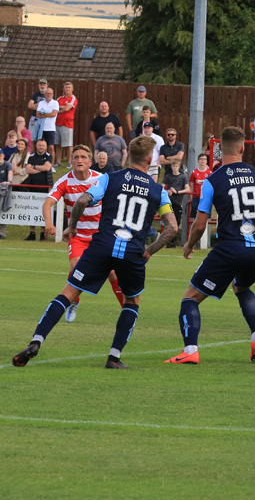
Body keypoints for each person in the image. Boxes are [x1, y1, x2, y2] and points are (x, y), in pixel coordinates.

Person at [11, 135, 177, 369]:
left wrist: (72, 226)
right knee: (132, 301)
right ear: (150, 159)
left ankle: (36, 341)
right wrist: (149, 251)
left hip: (101, 246)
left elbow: (81, 201)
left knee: (69, 291)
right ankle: (114, 357)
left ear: (127, 155)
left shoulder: (109, 178)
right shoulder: (158, 190)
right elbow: (172, 227)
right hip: (132, 252)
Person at [165, 126, 255, 365]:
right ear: (243, 148)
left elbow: (200, 224)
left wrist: (189, 245)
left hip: (230, 249)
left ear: (218, 150)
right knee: (242, 288)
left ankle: (190, 350)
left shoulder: (212, 180)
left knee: (190, 298)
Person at [42, 144, 126, 320]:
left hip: (101, 235)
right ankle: (74, 300)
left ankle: (127, 310)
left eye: (83, 157)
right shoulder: (65, 181)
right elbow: (48, 203)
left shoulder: (101, 178)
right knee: (77, 269)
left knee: (112, 273)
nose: (79, 160)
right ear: (72, 161)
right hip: (78, 236)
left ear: (90, 161)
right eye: (76, 157)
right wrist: (49, 223)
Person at [24, 138, 54, 241]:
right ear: (36, 146)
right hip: (32, 186)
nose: (41, 147)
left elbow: (47, 168)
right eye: (39, 145)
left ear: (46, 147)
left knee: (43, 210)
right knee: (32, 209)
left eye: (43, 145)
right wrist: (40, 169)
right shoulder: (31, 157)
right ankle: (32, 233)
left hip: (44, 187)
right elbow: (28, 170)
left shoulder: (49, 156)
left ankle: (42, 233)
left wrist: (35, 167)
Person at [162, 157, 189, 244]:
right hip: (169, 202)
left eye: (176, 166)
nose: (175, 168)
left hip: (178, 202)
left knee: (176, 222)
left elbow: (187, 189)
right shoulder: (168, 176)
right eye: (173, 166)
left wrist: (177, 192)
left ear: (179, 166)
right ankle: (168, 242)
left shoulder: (182, 177)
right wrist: (168, 191)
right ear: (171, 166)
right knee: (168, 222)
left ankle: (173, 241)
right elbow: (161, 187)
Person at [35, 86, 60, 167]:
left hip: (51, 128)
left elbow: (53, 114)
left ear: (52, 94)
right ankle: (40, 162)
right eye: (47, 93)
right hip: (41, 128)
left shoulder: (55, 103)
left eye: (50, 93)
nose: (49, 95)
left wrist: (44, 114)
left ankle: (51, 165)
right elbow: (38, 115)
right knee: (40, 147)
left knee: (51, 147)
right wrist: (48, 114)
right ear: (45, 94)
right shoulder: (41, 103)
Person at [55, 82, 78, 168]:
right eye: (66, 87)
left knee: (68, 144)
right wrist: (61, 107)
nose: (67, 89)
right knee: (57, 144)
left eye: (69, 87)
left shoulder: (73, 98)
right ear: (64, 89)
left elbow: (67, 108)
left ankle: (69, 161)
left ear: (72, 89)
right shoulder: (59, 98)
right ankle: (58, 161)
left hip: (67, 124)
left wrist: (59, 109)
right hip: (57, 123)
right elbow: (55, 107)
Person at [187, 153, 212, 221]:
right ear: (198, 161)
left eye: (204, 159)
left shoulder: (209, 173)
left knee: (205, 216)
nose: (203, 161)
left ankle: (205, 230)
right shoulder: (194, 172)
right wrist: (191, 197)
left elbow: (211, 186)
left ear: (206, 161)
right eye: (201, 159)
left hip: (205, 197)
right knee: (194, 216)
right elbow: (190, 185)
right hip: (196, 196)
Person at [26, 78, 48, 143]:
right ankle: (32, 152)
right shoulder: (35, 95)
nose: (42, 86)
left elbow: (50, 108)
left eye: (44, 84)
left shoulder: (49, 95)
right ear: (38, 85)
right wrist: (42, 108)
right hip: (35, 118)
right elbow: (30, 106)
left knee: (42, 138)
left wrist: (37, 105)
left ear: (47, 85)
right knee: (32, 138)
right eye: (41, 84)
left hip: (45, 119)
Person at [0, 151, 11, 239]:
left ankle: (2, 233)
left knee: (4, 210)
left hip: (4, 192)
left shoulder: (7, 164)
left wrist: (9, 181)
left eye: (0, 155)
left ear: (3, 155)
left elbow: (10, 173)